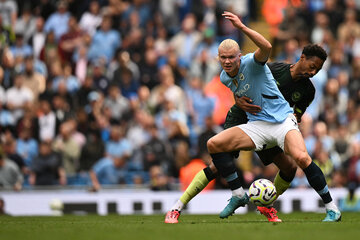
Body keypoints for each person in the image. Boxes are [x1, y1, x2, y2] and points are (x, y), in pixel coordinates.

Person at [165, 11, 341, 223]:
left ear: (239, 56)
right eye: (312, 67)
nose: (313, 73)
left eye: (317, 70)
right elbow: (242, 82)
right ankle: (180, 206)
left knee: (293, 165)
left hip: (278, 122)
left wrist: (293, 123)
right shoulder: (272, 69)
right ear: (301, 58)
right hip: (246, 117)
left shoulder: (307, 90)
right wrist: (238, 100)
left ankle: (276, 204)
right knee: (217, 162)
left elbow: (296, 113)